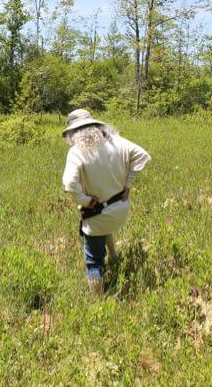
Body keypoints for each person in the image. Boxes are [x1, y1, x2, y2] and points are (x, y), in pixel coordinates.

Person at [61, 109, 150, 297]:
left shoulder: (76, 151)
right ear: (95, 126)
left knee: (93, 262)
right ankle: (115, 257)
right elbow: (142, 155)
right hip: (121, 210)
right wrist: (128, 184)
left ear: (73, 132)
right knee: (103, 223)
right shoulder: (117, 142)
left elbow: (69, 183)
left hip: (97, 216)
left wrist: (84, 201)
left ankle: (97, 301)